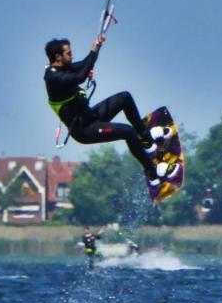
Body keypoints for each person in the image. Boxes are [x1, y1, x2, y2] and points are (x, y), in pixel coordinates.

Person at [44, 34, 178, 191]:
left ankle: (146, 138)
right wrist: (93, 52)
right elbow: (80, 76)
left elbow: (83, 64)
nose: (72, 55)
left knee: (125, 98)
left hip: (91, 116)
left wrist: (97, 47)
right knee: (128, 132)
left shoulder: (62, 67)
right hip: (85, 130)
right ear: (58, 56)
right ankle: (152, 172)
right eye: (68, 53)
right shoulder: (53, 77)